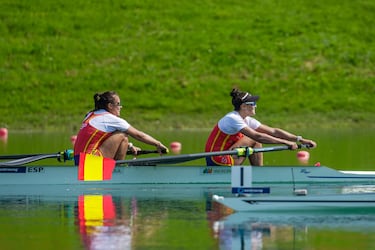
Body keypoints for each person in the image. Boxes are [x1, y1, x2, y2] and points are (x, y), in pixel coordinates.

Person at [205, 88, 317, 166]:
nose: (256, 106)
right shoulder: (233, 118)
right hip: (217, 158)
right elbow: (258, 136)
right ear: (243, 106)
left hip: (230, 154)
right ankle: (257, 174)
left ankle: (259, 173)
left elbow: (273, 131)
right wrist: (285, 142)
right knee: (254, 139)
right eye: (253, 104)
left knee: (256, 142)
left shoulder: (246, 119)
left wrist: (301, 139)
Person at [74, 91, 168, 165]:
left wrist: (129, 146)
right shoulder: (110, 119)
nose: (121, 107)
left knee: (123, 138)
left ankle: (116, 168)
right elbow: (139, 135)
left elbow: (101, 138)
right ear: (110, 106)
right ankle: (119, 171)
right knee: (123, 135)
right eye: (118, 104)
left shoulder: (91, 114)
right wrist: (157, 144)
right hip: (90, 164)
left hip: (79, 161)